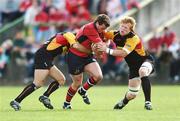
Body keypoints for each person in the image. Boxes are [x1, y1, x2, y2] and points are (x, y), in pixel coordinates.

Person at [10, 32, 90, 111]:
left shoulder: (68, 39)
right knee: (38, 83)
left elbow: (65, 50)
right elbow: (75, 45)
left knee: (61, 80)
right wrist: (90, 51)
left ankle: (45, 96)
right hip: (43, 56)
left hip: (47, 57)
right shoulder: (70, 35)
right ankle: (16, 101)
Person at [95, 16, 154, 110]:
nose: (122, 29)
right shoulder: (114, 34)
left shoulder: (133, 38)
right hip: (133, 67)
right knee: (132, 94)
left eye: (125, 27)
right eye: (122, 26)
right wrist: (104, 42)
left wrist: (106, 49)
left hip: (145, 60)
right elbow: (102, 34)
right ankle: (123, 102)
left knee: (142, 71)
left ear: (131, 30)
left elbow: (123, 53)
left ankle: (148, 102)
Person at [63, 14, 110, 109]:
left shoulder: (100, 29)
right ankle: (66, 103)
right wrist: (101, 49)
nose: (102, 30)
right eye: (101, 28)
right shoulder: (90, 28)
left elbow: (106, 41)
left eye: (104, 29)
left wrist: (105, 43)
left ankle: (83, 91)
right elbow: (100, 45)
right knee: (77, 83)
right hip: (75, 56)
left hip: (87, 56)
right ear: (97, 23)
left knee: (98, 76)